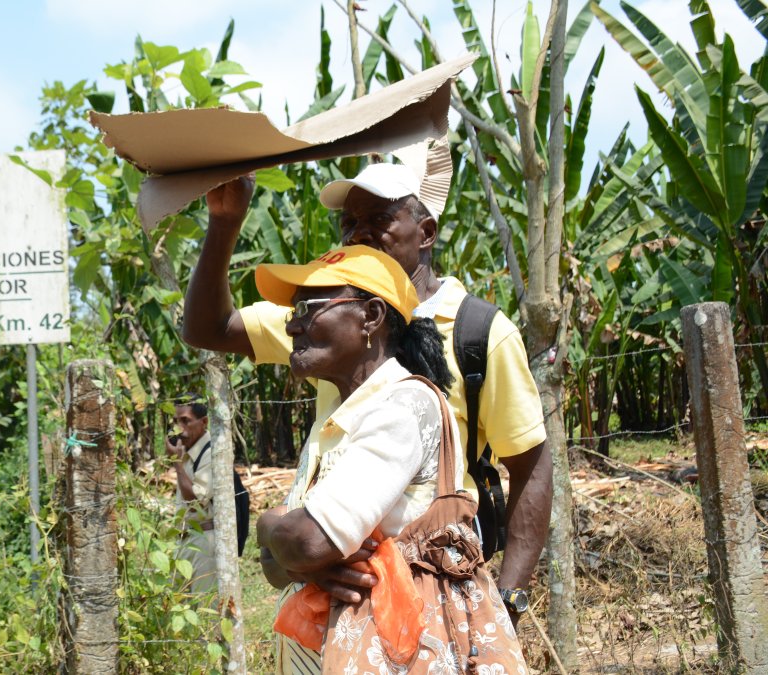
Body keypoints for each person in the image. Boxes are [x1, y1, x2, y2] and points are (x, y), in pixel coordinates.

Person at [182, 145, 551, 629]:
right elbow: (209, 328)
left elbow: (529, 465)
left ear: (426, 233)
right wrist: (226, 221)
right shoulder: (327, 320)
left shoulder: (477, 332)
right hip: (333, 583)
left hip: (425, 594)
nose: (359, 234)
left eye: (378, 219)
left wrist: (508, 600)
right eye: (349, 224)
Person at [251, 244, 526, 672]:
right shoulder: (340, 417)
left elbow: (304, 541)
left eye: (309, 308)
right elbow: (279, 564)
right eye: (294, 313)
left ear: (372, 316)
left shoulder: (404, 407)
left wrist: (272, 526)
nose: (294, 327)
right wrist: (299, 558)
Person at [167, 395, 217, 594]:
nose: (179, 428)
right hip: (185, 538)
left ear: (203, 422)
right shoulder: (187, 451)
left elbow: (196, 500)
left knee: (205, 606)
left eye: (185, 421)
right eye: (176, 422)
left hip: (204, 540)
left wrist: (177, 464)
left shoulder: (211, 451)